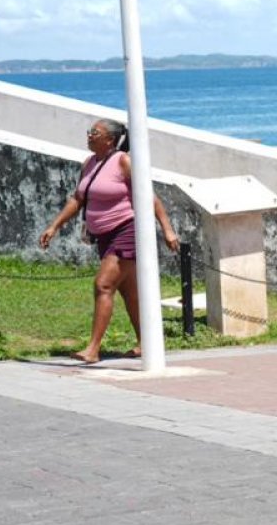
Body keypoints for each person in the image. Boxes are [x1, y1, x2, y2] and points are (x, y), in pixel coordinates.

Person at [39, 119, 180, 363]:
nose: (89, 136)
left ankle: (92, 349)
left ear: (110, 139)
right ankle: (146, 343)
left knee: (103, 285)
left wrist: (167, 230)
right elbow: (78, 198)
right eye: (89, 131)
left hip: (126, 230)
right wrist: (54, 226)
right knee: (129, 291)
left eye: (95, 132)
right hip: (103, 236)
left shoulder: (123, 162)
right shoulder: (89, 163)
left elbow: (149, 196)